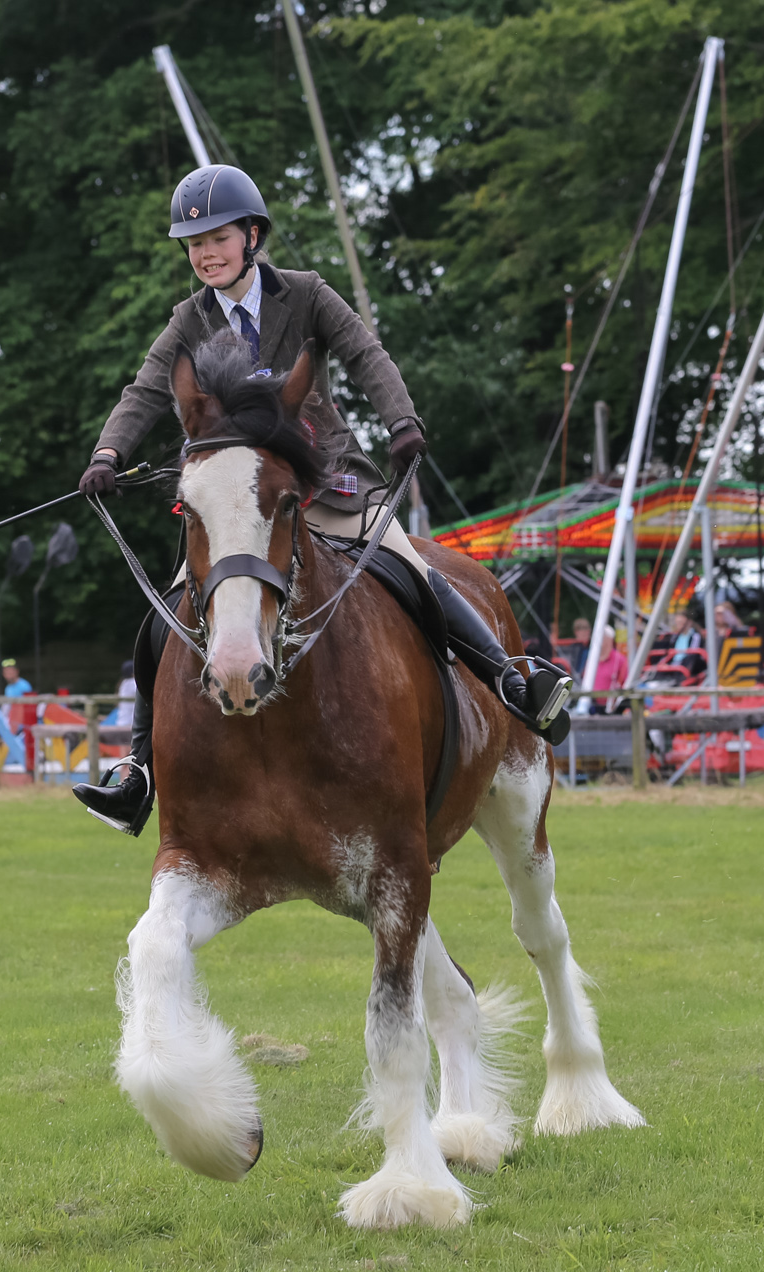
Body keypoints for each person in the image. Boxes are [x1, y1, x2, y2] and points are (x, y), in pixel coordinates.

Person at [72, 164, 569, 834]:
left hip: (326, 481)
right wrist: (108, 454)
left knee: (411, 567)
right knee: (168, 613)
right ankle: (138, 768)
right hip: (241, 506)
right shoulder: (188, 319)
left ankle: (510, 680)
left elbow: (366, 354)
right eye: (193, 244)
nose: (205, 254)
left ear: (252, 236)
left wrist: (401, 420)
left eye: (217, 238)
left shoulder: (305, 294)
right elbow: (145, 390)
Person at [0, 658, 33, 771]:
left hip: (21, 724)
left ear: (16, 671)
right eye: (6, 671)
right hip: (12, 722)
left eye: (10, 671)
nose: (8, 674)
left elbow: (25, 708)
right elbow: (7, 708)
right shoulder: (8, 688)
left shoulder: (24, 686)